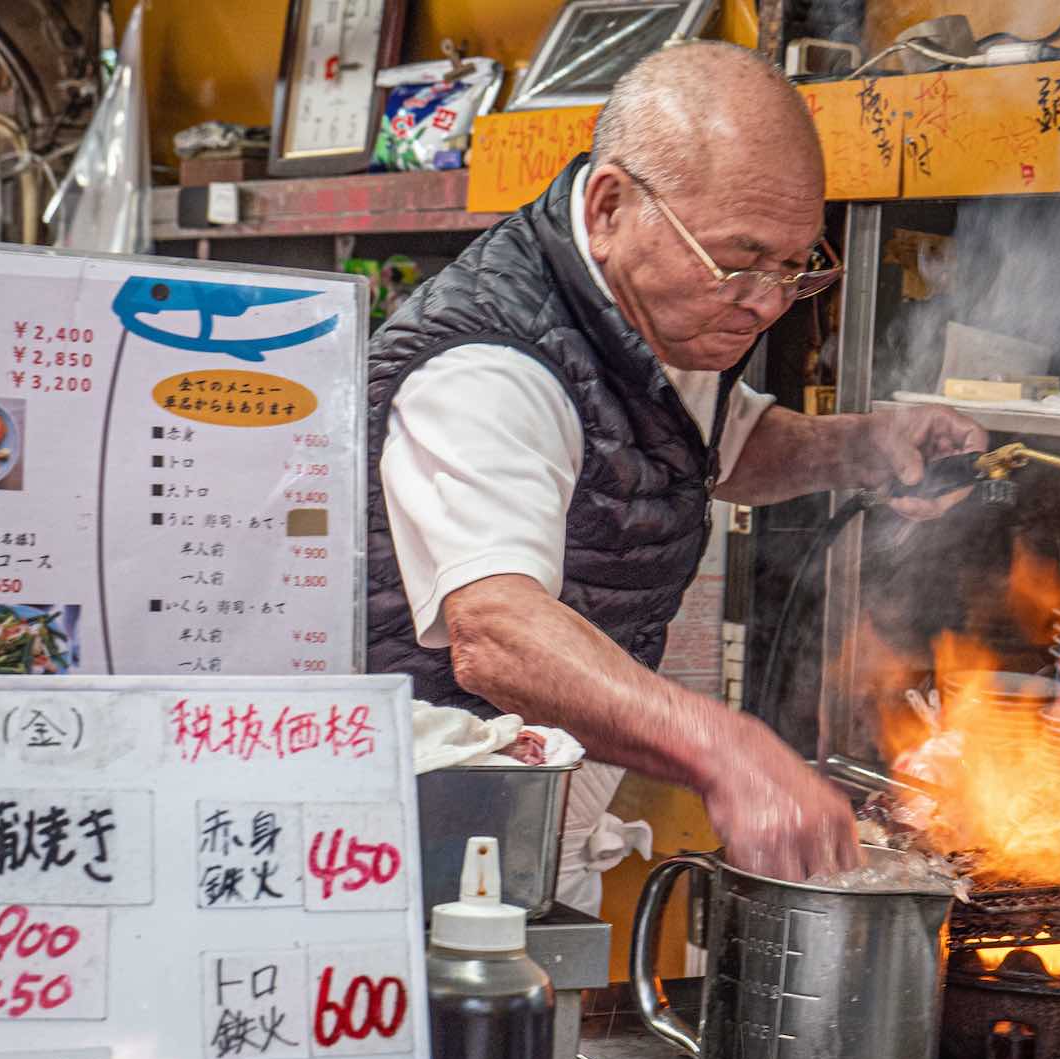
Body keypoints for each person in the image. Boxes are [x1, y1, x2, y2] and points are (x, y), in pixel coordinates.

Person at [366, 41, 985, 884]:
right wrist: (726, 749)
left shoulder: (660, 308)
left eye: (794, 266)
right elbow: (497, 631)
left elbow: (713, 444)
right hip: (406, 835)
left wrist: (868, 447)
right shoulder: (489, 366)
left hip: (523, 818)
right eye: (738, 261)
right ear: (612, 206)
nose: (766, 303)